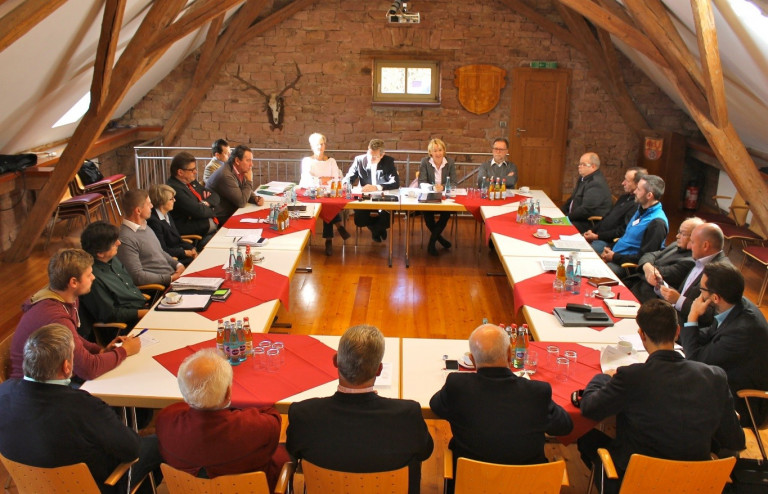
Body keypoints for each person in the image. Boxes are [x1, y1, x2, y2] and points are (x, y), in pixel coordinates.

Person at [577, 299, 744, 494]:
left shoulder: (631, 376)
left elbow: (589, 407)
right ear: (677, 332)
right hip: (695, 483)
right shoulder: (715, 376)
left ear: (641, 335)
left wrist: (602, 377)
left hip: (638, 482)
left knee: (586, 437)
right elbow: (735, 442)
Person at [0, 324, 160, 494]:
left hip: (33, 485)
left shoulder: (4, 391)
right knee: (162, 442)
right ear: (67, 366)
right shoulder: (84, 405)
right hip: (94, 485)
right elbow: (132, 449)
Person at [287, 325, 433, 494]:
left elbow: (293, 450)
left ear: (335, 361)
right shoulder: (408, 415)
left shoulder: (303, 414)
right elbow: (425, 451)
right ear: (379, 370)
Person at [430, 324, 572, 493]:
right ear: (510, 354)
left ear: (473, 360)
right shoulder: (537, 392)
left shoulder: (458, 385)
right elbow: (565, 426)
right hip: (528, 486)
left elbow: (436, 405)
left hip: (472, 484)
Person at [156, 349, 289, 491]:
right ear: (228, 394)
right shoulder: (256, 427)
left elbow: (176, 409)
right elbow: (272, 416)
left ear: (184, 392)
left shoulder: (166, 421)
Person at [9, 249, 140, 381]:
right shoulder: (55, 316)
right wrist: (124, 351)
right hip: (37, 388)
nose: (93, 277)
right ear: (73, 282)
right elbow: (88, 369)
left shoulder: (66, 298)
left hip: (53, 375)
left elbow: (73, 337)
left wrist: (100, 350)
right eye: (89, 275)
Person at [682, 262, 768, 426]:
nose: (699, 296)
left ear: (715, 298)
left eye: (701, 290)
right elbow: (709, 334)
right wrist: (679, 334)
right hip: (724, 377)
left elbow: (695, 359)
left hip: (742, 401)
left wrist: (692, 317)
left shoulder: (743, 330)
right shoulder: (733, 305)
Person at [80, 221, 148, 330]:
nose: (119, 243)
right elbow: (110, 315)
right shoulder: (93, 279)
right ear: (100, 253)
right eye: (113, 243)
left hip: (144, 308)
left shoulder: (112, 259)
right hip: (127, 326)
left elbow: (130, 287)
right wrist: (145, 313)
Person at [659, 222, 727, 324]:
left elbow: (710, 316)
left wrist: (679, 300)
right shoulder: (701, 260)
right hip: (672, 314)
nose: (689, 246)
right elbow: (684, 293)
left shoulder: (721, 273)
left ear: (705, 245)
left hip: (684, 327)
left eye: (693, 242)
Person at [600, 175, 668, 276]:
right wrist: (609, 248)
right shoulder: (640, 209)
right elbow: (626, 238)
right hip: (615, 256)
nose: (635, 192)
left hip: (626, 267)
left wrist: (614, 257)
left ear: (649, 195)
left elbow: (645, 258)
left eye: (639, 189)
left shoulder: (657, 223)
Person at [298, 133, 350, 256]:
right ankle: (338, 227)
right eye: (317, 145)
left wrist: (322, 180)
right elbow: (307, 179)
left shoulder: (331, 161)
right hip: (313, 193)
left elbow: (336, 178)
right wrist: (323, 180)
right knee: (326, 205)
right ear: (311, 146)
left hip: (329, 192)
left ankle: (329, 240)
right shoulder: (307, 161)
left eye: (322, 144)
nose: (320, 147)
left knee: (328, 204)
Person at [628, 217, 702, 302]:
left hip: (647, 297)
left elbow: (657, 276)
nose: (677, 236)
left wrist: (646, 267)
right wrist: (647, 266)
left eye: (683, 234)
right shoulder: (676, 245)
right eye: (679, 232)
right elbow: (651, 254)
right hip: (636, 283)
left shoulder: (690, 262)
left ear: (694, 238)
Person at [343, 139, 401, 242]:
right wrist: (346, 185)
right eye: (369, 155)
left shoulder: (388, 161)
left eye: (375, 157)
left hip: (382, 198)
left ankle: (376, 230)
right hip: (365, 198)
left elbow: (395, 182)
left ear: (382, 155)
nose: (371, 159)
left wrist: (377, 187)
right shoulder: (360, 160)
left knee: (387, 220)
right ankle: (377, 230)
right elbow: (349, 177)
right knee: (359, 220)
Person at [584, 167, 646, 253]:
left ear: (638, 184)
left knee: (582, 252)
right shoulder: (624, 197)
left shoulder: (637, 205)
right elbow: (606, 217)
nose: (623, 183)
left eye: (627, 181)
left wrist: (596, 236)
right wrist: (592, 230)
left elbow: (622, 232)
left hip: (608, 242)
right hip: (596, 235)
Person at [167, 151, 220, 246]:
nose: (195, 172)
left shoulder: (191, 181)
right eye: (192, 170)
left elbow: (214, 195)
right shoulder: (174, 189)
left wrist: (205, 204)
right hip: (196, 236)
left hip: (208, 228)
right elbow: (199, 211)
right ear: (180, 172)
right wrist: (212, 209)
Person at [207, 144, 265, 224]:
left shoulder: (238, 170)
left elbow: (242, 190)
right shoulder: (226, 175)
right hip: (221, 217)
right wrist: (249, 180)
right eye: (248, 160)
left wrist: (255, 198)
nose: (252, 164)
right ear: (237, 161)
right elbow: (241, 202)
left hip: (232, 211)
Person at [418, 138, 456, 256]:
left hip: (445, 196)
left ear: (444, 151)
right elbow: (421, 182)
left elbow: (454, 183)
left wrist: (443, 187)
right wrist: (434, 188)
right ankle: (440, 239)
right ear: (430, 153)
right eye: (435, 151)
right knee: (428, 216)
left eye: (440, 150)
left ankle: (432, 242)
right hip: (429, 195)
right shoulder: (425, 162)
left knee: (446, 214)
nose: (438, 153)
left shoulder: (450, 162)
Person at [147, 184, 197, 266]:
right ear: (161, 201)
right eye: (171, 199)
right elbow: (162, 250)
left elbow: (178, 240)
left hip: (179, 254)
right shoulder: (153, 222)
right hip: (171, 260)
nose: (174, 200)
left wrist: (191, 248)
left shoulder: (167, 214)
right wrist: (184, 252)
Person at [562, 152, 613, 233]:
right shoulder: (583, 178)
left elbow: (585, 211)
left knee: (557, 228)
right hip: (576, 217)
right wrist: (561, 212)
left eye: (583, 164)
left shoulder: (596, 183)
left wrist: (565, 218)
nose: (579, 166)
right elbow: (572, 199)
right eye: (579, 164)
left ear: (593, 166)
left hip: (588, 223)